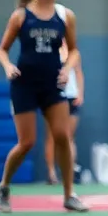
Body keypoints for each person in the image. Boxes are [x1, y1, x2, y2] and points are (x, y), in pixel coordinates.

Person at [0, 0, 90, 212]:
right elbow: (2, 50)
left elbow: (75, 50)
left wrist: (68, 68)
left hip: (53, 84)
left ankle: (70, 194)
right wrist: (7, 66)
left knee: (62, 136)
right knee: (27, 142)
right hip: (24, 84)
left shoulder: (65, 15)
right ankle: (4, 186)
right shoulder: (21, 16)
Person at [45, 40, 84, 185]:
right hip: (54, 97)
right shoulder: (49, 51)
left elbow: (79, 73)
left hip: (71, 97)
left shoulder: (74, 53)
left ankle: (70, 171)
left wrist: (80, 93)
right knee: (52, 137)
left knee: (68, 137)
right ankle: (51, 172)